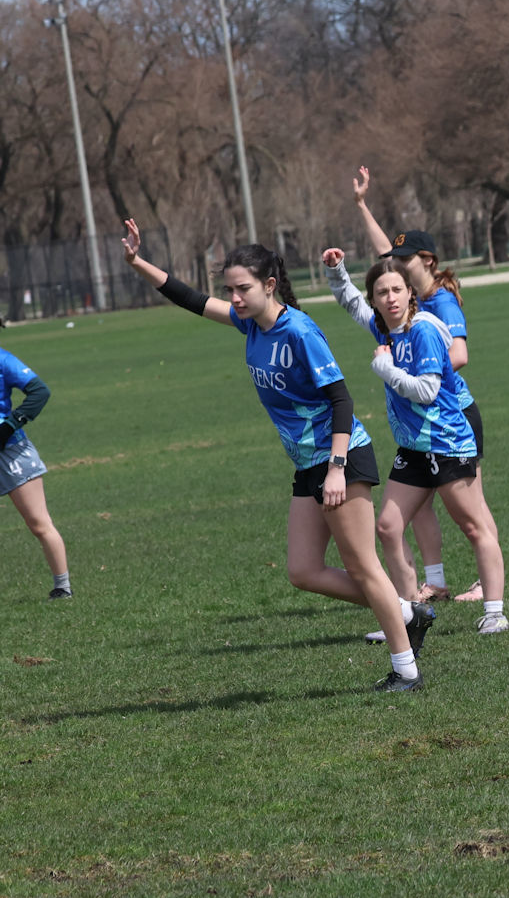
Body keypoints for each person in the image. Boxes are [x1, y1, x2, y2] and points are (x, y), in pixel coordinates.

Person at [118, 220, 433, 690]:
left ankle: (406, 670)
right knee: (303, 571)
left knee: (364, 567)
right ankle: (406, 610)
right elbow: (190, 299)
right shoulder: (249, 324)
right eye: (230, 290)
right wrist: (137, 263)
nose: (234, 298)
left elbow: (341, 400)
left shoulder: (300, 332)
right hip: (308, 464)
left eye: (243, 289)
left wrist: (336, 469)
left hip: (341, 458)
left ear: (269, 285)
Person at [329, 251, 509, 635]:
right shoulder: (384, 328)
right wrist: (336, 271)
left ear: (410, 292)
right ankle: (410, 615)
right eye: (382, 292)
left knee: (474, 526)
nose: (390, 298)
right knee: (388, 527)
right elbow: (351, 302)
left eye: (397, 289)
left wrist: (386, 369)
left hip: (447, 443)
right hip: (413, 450)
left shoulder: (423, 330)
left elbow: (427, 392)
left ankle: (495, 612)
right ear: (375, 299)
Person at [350, 167, 493, 610]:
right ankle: (433, 583)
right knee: (415, 509)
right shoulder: (402, 301)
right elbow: (383, 257)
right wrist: (361, 206)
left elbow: (459, 355)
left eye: (405, 260)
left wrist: (408, 368)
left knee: (472, 510)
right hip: (421, 417)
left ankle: (489, 586)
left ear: (426, 261)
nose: (395, 267)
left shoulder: (438, 303)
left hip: (453, 413)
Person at [0, 347, 71, 599]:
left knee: (39, 524)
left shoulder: (3, 359)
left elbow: (40, 391)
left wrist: (9, 426)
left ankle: (62, 588)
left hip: (11, 451)